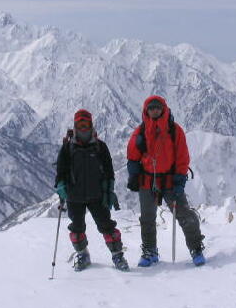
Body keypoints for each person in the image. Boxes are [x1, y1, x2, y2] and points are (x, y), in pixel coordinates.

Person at [126, 95, 206, 267]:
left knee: (184, 215)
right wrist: (133, 176)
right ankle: (150, 251)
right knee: (147, 218)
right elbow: (132, 156)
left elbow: (182, 157)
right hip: (147, 180)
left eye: (157, 107)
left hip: (170, 180)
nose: (154, 110)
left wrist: (179, 179)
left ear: (164, 109)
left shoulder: (174, 130)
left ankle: (196, 248)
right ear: (146, 111)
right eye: (151, 108)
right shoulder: (141, 131)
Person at [55, 109, 129, 272]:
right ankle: (83, 254)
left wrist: (109, 191)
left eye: (86, 124)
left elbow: (109, 172)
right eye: (80, 124)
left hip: (97, 196)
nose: (83, 128)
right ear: (75, 126)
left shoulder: (100, 147)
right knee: (77, 228)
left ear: (91, 125)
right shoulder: (67, 148)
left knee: (107, 226)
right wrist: (61, 186)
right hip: (74, 196)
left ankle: (117, 255)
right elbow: (60, 172)